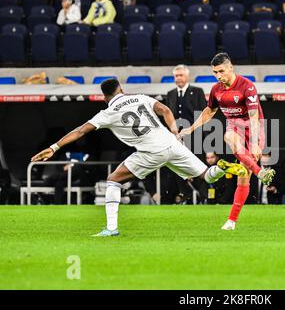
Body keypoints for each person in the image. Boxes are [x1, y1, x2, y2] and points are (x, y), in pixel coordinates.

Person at [31, 78, 246, 237]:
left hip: (151, 151)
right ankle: (222, 167)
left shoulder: (107, 112)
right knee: (207, 176)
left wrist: (54, 146)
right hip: (171, 143)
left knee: (113, 180)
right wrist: (174, 132)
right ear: (122, 89)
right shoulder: (140, 97)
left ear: (105, 97)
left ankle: (111, 228)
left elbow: (81, 131)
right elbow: (165, 110)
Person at [179, 52, 275, 230]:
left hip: (254, 131)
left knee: (244, 178)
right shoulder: (216, 90)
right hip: (235, 129)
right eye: (215, 72)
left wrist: (254, 142)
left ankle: (232, 220)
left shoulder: (247, 86)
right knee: (228, 136)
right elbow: (209, 112)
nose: (218, 75)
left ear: (231, 68)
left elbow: (254, 117)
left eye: (221, 71)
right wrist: (191, 128)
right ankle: (260, 172)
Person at [163, 64, 208, 204]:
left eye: (181, 75)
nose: (179, 78)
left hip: (196, 139)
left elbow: (203, 115)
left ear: (187, 76)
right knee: (179, 168)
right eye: (176, 76)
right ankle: (185, 196)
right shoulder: (170, 94)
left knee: (198, 168)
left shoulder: (198, 91)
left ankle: (204, 197)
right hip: (177, 140)